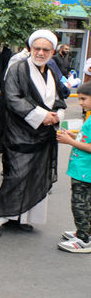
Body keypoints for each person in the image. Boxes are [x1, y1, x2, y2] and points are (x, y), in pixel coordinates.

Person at [0, 30, 67, 237]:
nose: (40, 52)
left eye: (45, 49)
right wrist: (42, 116)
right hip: (19, 135)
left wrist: (57, 115)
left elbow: (58, 97)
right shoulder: (18, 69)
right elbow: (13, 99)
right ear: (30, 48)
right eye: (36, 48)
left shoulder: (50, 71)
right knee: (16, 175)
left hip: (44, 135)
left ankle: (20, 216)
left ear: (52, 51)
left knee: (35, 176)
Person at [56, 82, 91, 252]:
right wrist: (74, 136)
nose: (80, 103)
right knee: (85, 203)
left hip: (85, 171)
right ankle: (84, 232)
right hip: (82, 170)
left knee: (80, 205)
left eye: (84, 99)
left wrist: (70, 141)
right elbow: (86, 139)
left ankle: (84, 239)